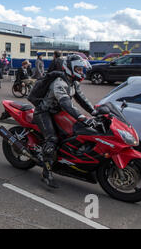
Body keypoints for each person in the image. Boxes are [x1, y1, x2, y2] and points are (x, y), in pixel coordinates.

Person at [32, 54, 95, 189]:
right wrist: (82, 117)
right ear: (70, 68)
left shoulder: (73, 82)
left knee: (71, 134)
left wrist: (94, 112)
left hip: (59, 112)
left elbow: (82, 99)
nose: (81, 72)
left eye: (81, 69)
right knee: (52, 139)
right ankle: (46, 173)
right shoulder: (60, 83)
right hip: (44, 112)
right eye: (78, 69)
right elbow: (66, 103)